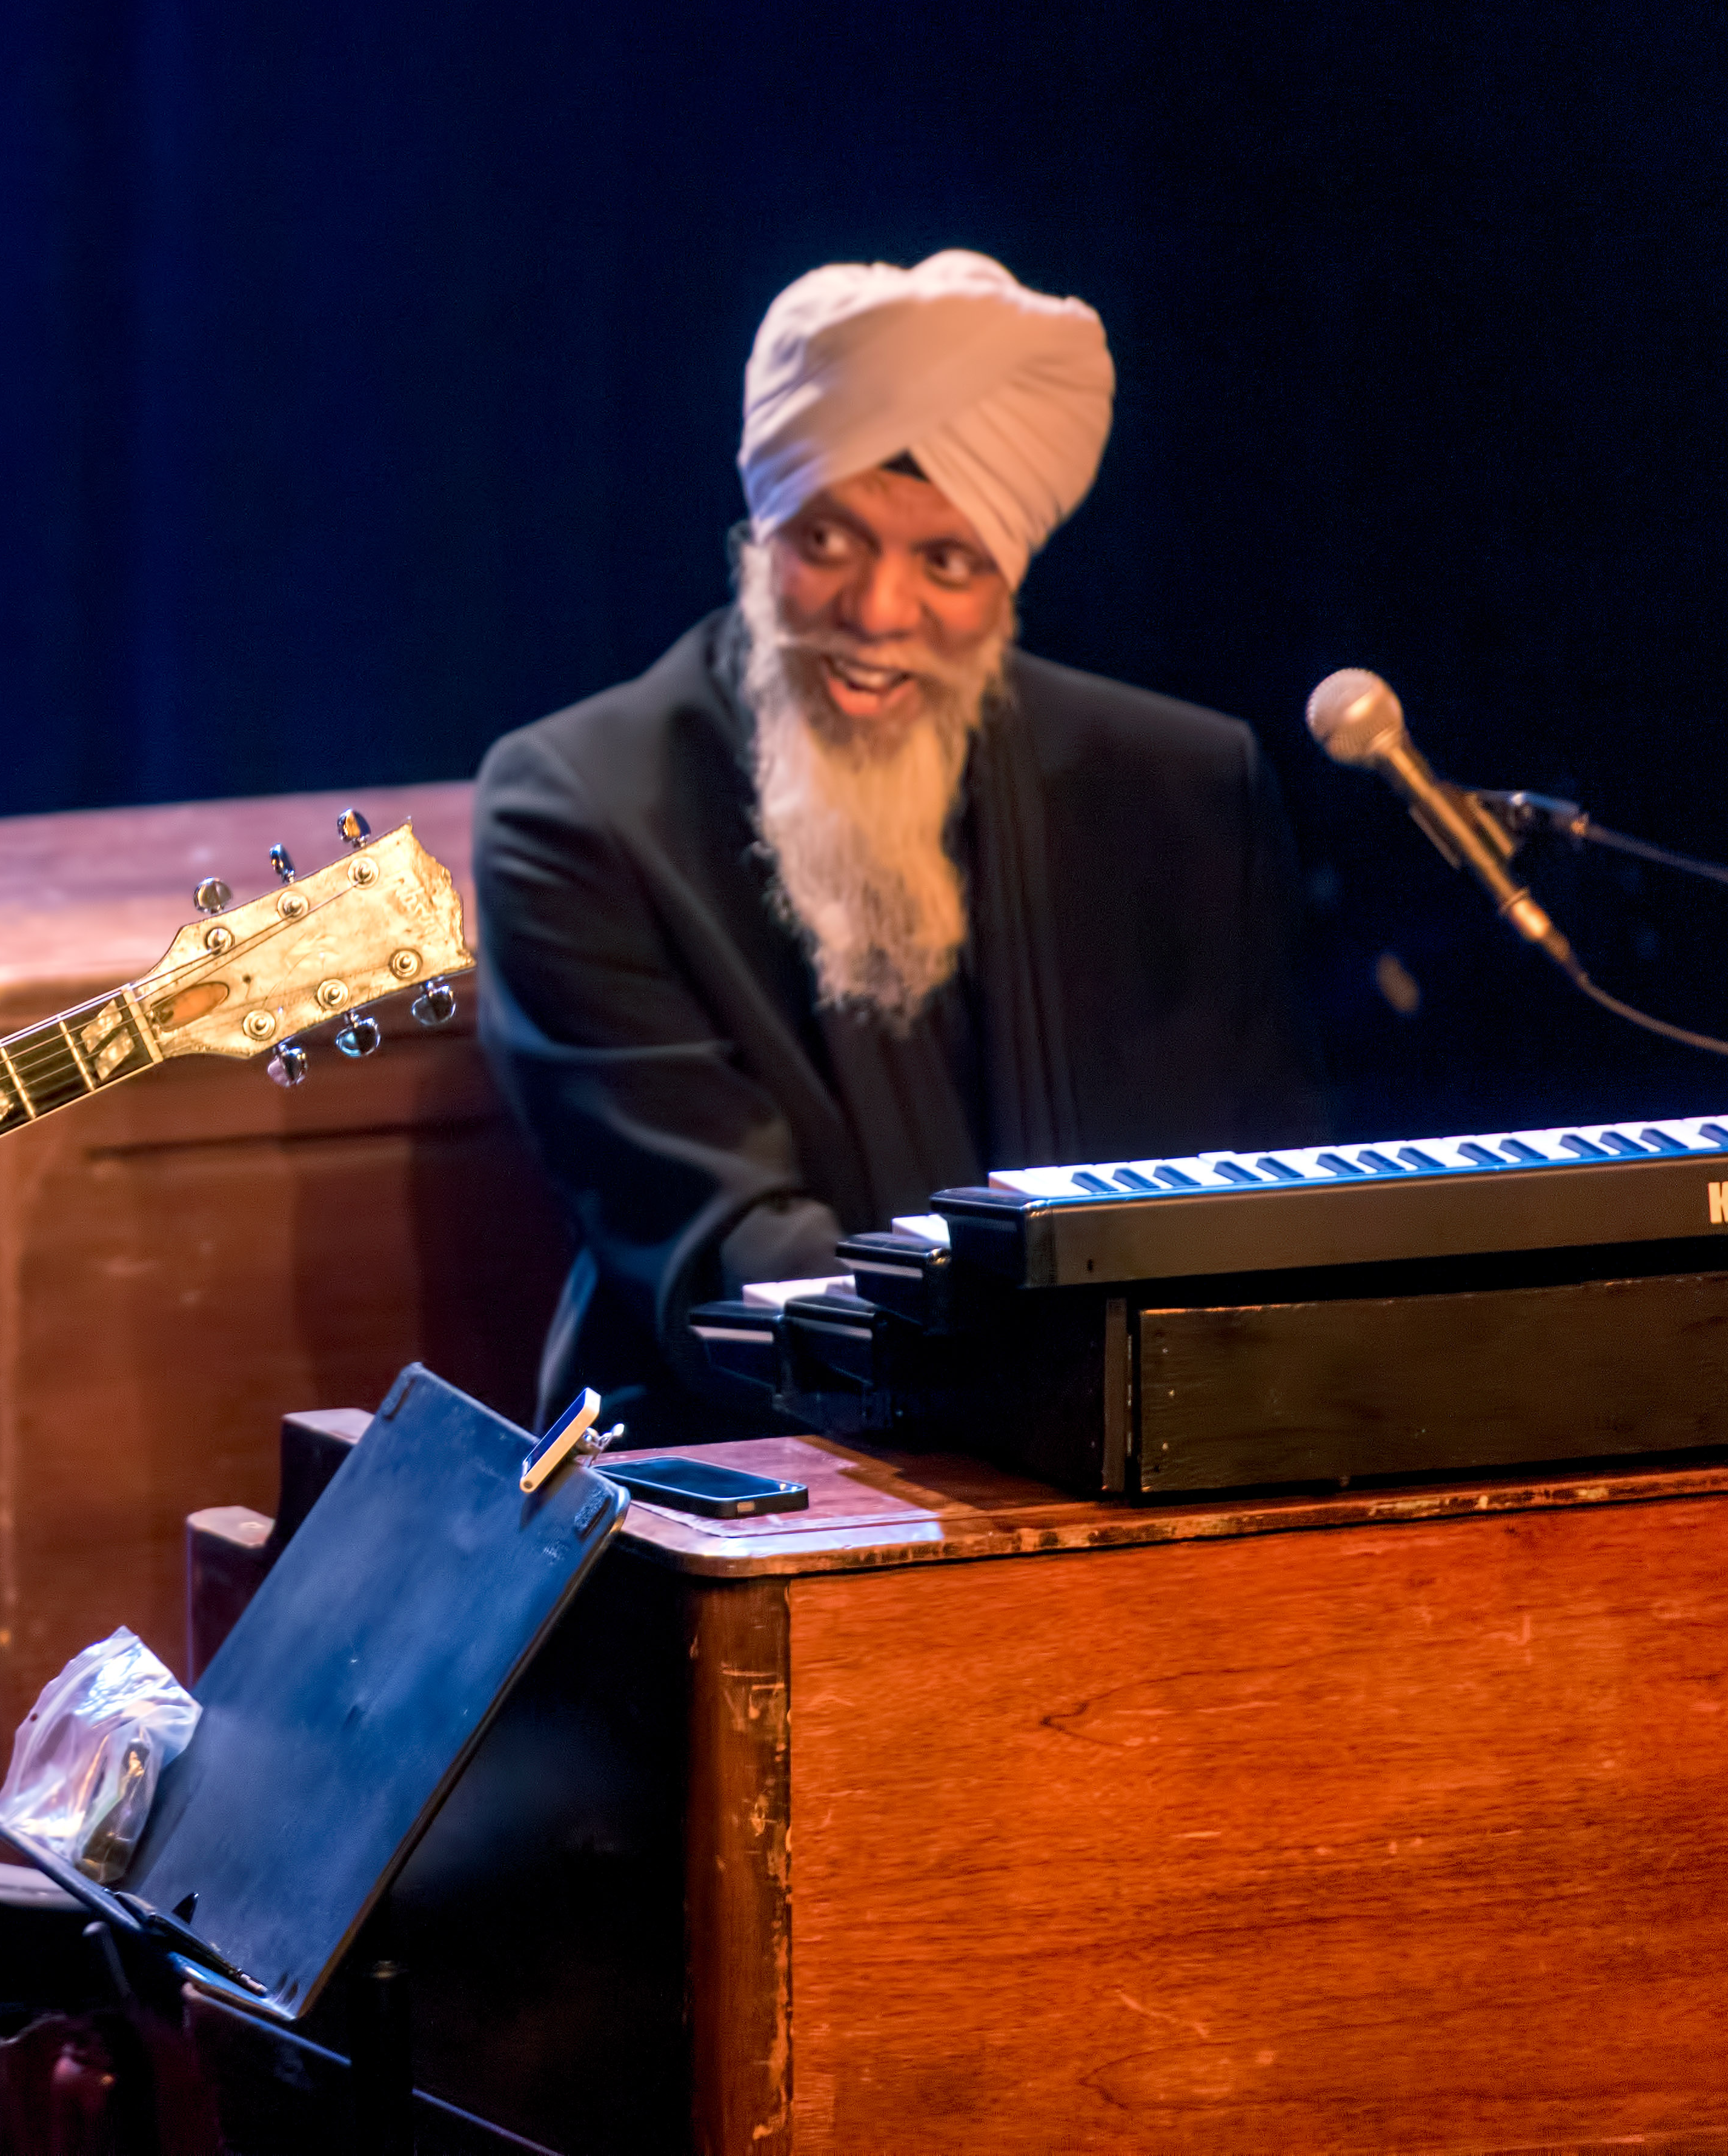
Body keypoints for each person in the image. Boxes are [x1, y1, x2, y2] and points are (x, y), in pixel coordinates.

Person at [476, 250, 1318, 1443]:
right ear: (762, 526)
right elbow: (731, 1267)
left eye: (947, 562)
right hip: (753, 1489)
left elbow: (1267, 1205)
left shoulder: (1185, 790)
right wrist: (1071, 1404)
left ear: (1009, 577)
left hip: (1152, 1463)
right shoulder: (579, 809)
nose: (877, 613)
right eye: (829, 539)